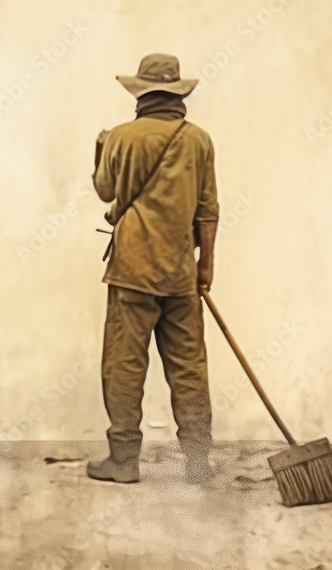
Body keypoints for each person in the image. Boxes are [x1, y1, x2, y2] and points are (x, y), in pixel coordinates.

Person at [87, 53, 219, 484]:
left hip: (132, 272)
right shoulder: (199, 140)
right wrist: (205, 268)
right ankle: (198, 464)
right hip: (180, 272)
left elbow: (105, 189)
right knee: (189, 368)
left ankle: (124, 461)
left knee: (124, 365)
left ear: (141, 92)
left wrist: (101, 149)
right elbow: (207, 211)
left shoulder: (122, 138)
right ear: (177, 92)